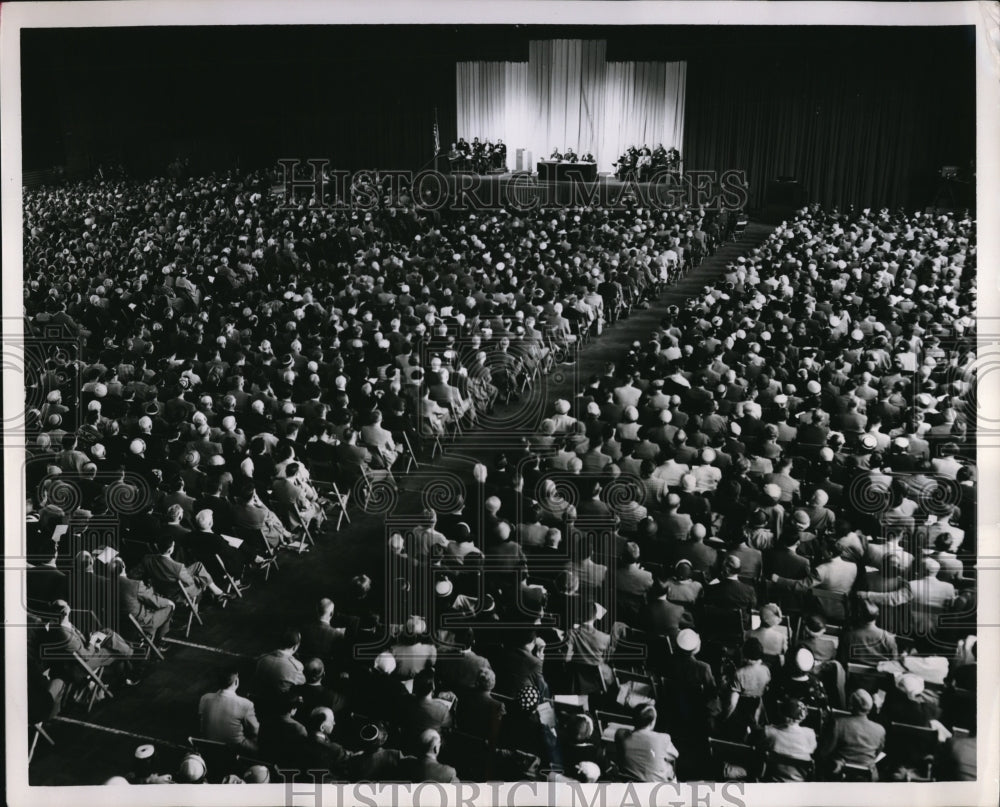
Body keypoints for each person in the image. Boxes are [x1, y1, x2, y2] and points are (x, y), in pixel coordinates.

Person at [817, 688, 885, 779]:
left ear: (851, 705)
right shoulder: (880, 729)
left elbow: (824, 752)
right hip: (868, 777)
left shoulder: (838, 724)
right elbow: (876, 753)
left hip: (840, 774)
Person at [198, 667, 260, 752]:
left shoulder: (204, 698)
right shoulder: (246, 704)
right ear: (236, 681)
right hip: (234, 748)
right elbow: (256, 731)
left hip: (208, 745)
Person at [614, 704, 679, 782]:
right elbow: (674, 755)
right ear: (652, 723)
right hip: (656, 786)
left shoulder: (620, 735)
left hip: (630, 783)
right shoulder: (663, 738)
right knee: (669, 768)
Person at [761, 699, 817, 781]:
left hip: (773, 780)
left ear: (781, 713)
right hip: (799, 783)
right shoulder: (810, 733)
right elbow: (812, 750)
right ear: (802, 717)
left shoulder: (769, 731)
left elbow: (761, 747)